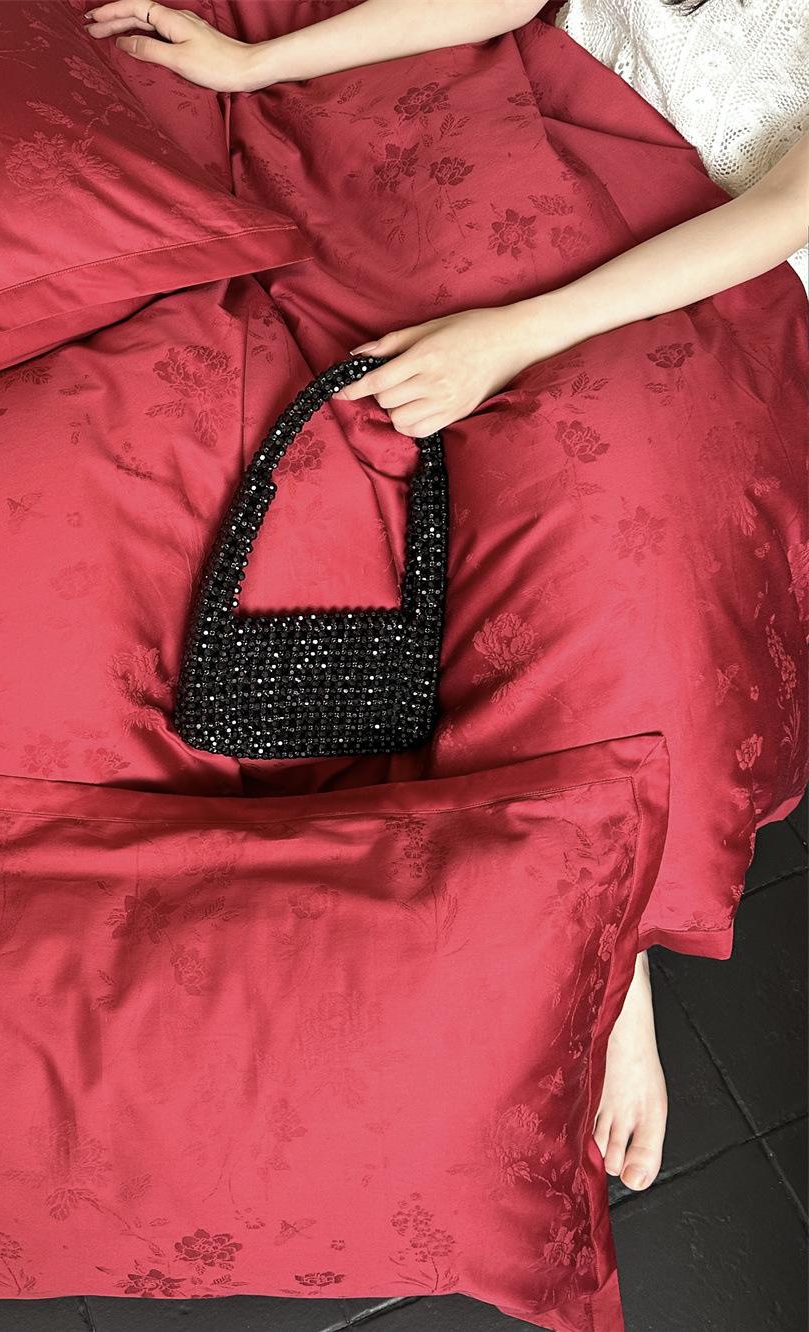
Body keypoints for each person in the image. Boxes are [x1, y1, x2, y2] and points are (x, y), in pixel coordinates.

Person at [84, 0, 809, 1197]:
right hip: (521, 110)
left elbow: (787, 207)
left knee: (603, 517)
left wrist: (510, 338)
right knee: (371, 360)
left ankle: (609, 941)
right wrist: (257, 63)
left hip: (714, 264)